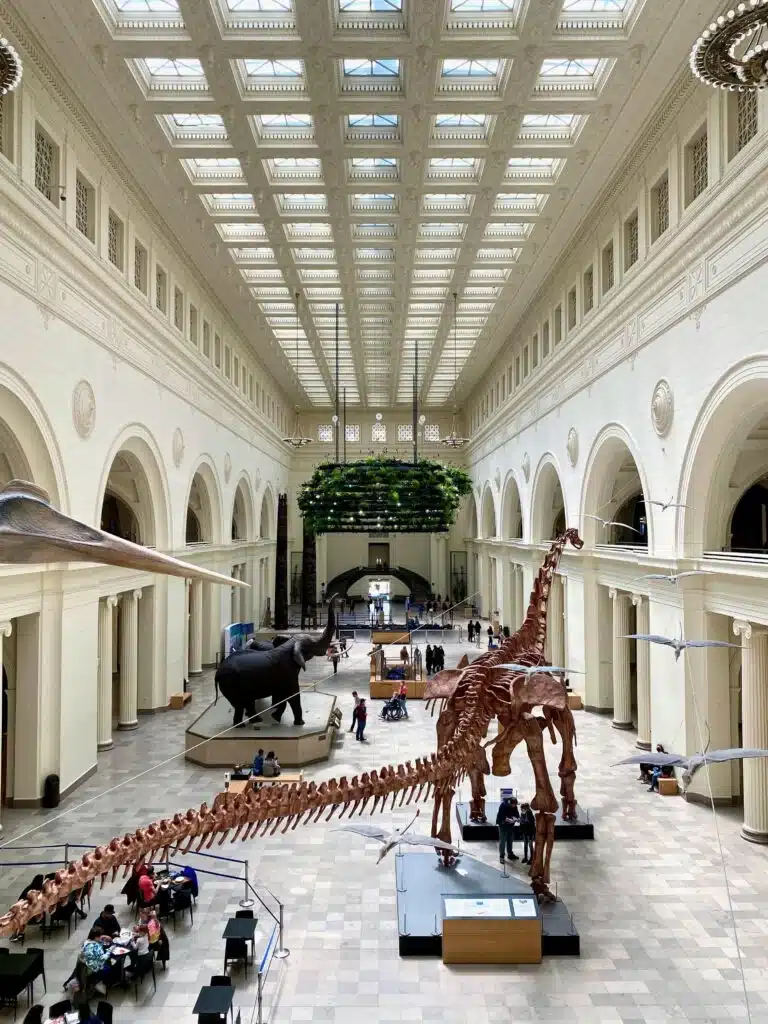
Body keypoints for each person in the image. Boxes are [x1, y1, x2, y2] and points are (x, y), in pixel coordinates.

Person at [80, 927, 112, 995]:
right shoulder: (94, 946)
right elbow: (103, 958)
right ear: (95, 937)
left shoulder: (87, 942)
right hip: (94, 967)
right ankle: (96, 981)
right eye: (100, 936)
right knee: (108, 968)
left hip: (87, 964)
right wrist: (110, 951)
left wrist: (101, 940)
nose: (101, 937)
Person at [496, 795, 520, 863]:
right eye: (513, 805)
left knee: (510, 840)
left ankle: (510, 854)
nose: (514, 806)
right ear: (510, 803)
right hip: (503, 825)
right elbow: (501, 816)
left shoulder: (514, 806)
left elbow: (517, 814)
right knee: (503, 841)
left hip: (510, 826)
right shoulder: (503, 805)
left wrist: (517, 818)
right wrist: (508, 819)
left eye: (515, 805)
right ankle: (501, 856)